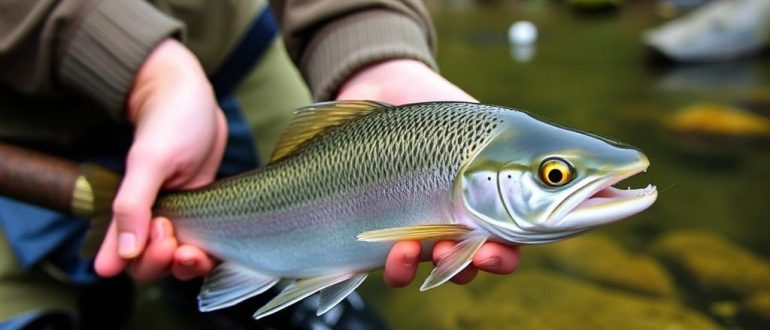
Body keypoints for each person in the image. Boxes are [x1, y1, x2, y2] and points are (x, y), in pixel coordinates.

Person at [0, 0, 521, 328]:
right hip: (14, 111)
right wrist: (150, 72)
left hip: (227, 47)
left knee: (278, 302)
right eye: (555, 176)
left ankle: (274, 291)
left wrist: (374, 48)